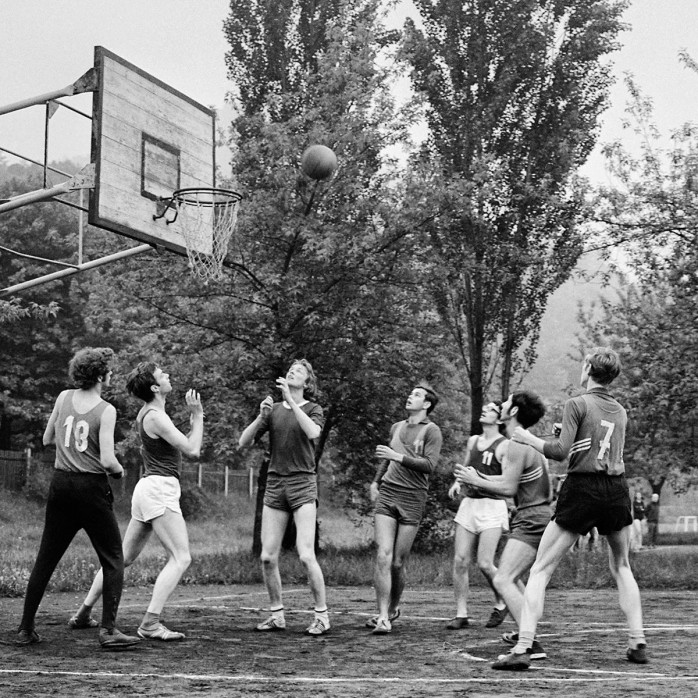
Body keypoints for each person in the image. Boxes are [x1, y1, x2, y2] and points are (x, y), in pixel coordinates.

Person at [493, 347, 647, 670]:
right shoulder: (620, 411)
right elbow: (601, 447)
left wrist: (527, 438)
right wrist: (570, 438)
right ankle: (637, 641)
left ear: (588, 369)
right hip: (616, 490)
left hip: (583, 488)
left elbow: (560, 453)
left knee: (540, 569)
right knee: (621, 566)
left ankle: (522, 648)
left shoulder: (577, 403)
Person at [70, 362, 203, 642]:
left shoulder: (152, 413)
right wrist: (198, 415)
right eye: (162, 375)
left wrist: (193, 423)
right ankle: (151, 623)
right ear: (155, 387)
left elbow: (182, 443)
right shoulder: (156, 416)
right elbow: (193, 449)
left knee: (123, 558)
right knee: (181, 557)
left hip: (148, 489)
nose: (168, 375)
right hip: (159, 489)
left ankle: (83, 613)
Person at [16, 348, 139, 650]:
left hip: (60, 486)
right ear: (99, 375)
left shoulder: (62, 397)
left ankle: (25, 629)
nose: (111, 374)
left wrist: (71, 449)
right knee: (113, 559)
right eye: (108, 370)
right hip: (90, 488)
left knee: (46, 558)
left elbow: (48, 439)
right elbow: (109, 461)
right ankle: (109, 631)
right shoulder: (106, 410)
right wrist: (121, 472)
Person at [456, 390, 551, 660]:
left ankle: (528, 643)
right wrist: (476, 478)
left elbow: (508, 488)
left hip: (532, 518)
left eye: (507, 402)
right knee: (515, 579)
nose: (502, 404)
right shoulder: (524, 442)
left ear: (513, 413)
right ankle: (527, 633)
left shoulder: (518, 444)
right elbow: (509, 483)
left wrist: (476, 480)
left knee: (503, 578)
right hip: (537, 516)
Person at [238, 359, 329, 635]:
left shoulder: (314, 409)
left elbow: (313, 433)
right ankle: (277, 614)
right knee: (267, 556)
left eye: (298, 371)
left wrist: (291, 400)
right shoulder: (274, 410)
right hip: (276, 484)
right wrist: (260, 416)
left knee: (305, 554)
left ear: (307, 383)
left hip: (303, 483)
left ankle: (322, 616)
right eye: (290, 369)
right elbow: (243, 442)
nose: (292, 371)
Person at [367, 383, 442, 635]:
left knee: (398, 562)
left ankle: (392, 609)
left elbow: (429, 465)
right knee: (383, 555)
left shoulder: (432, 431)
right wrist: (376, 481)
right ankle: (381, 616)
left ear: (427, 404)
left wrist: (397, 456)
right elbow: (388, 457)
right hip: (388, 492)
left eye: (417, 395)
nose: (410, 396)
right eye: (410, 393)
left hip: (413, 498)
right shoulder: (396, 427)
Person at [445, 401, 510, 630]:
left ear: (500, 419)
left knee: (484, 562)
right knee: (460, 560)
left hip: (492, 506)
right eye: (484, 408)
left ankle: (503, 600)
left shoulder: (504, 445)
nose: (484, 410)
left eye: (491, 409)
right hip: (470, 504)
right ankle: (461, 613)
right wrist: (457, 482)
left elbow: (507, 480)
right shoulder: (473, 441)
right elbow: (465, 468)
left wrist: (481, 480)